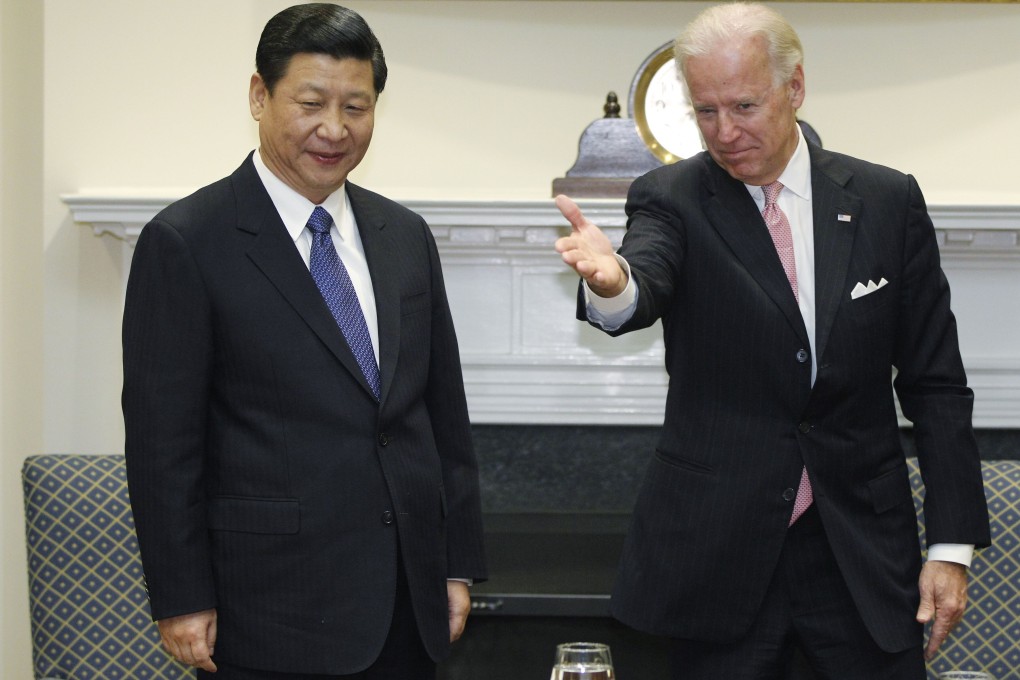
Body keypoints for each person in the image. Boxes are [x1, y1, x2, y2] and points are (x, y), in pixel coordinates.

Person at [554, 3, 989, 679]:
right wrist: (613, 284)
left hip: (860, 559)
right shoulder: (671, 198)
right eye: (705, 111)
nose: (724, 133)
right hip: (719, 560)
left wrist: (952, 545)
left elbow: (936, 384)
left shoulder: (885, 200)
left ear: (795, 88)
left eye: (744, 106)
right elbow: (644, 280)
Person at [122, 5, 486, 678]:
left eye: (357, 106)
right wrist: (180, 596)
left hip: (408, 605)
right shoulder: (187, 242)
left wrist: (457, 562)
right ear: (259, 96)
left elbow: (443, 416)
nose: (335, 129)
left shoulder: (404, 236)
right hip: (267, 610)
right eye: (311, 103)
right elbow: (161, 444)